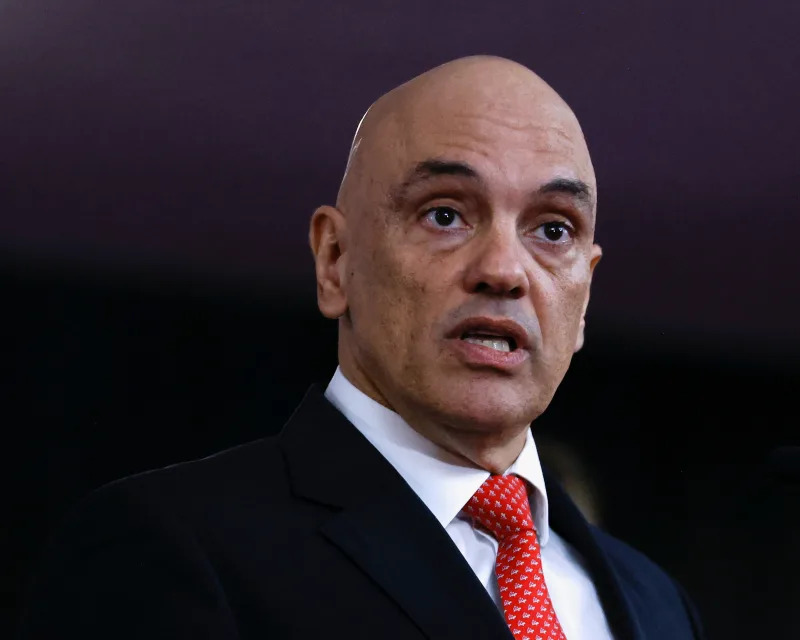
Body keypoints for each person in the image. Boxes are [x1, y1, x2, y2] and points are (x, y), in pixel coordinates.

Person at [17, 55, 704, 640]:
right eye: (445, 214)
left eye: (553, 230)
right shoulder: (170, 547)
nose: (503, 268)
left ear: (585, 294)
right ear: (335, 261)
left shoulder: (659, 604)